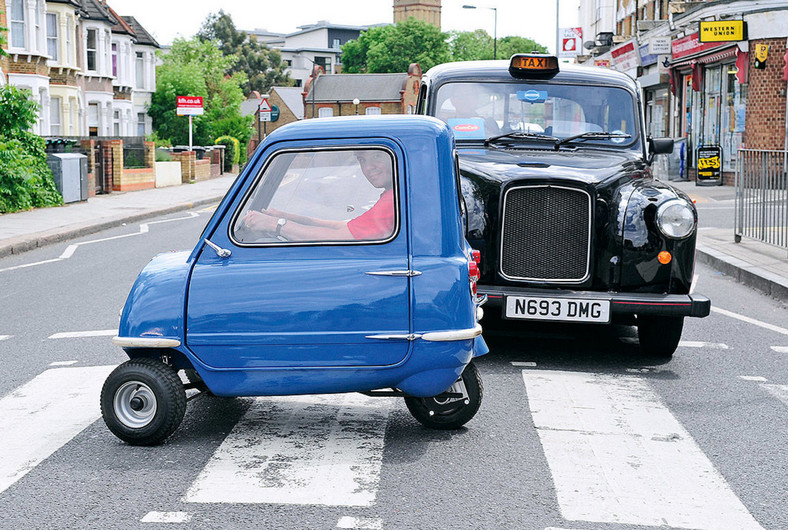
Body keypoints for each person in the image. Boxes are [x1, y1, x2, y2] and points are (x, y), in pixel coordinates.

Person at [241, 150, 395, 241]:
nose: (368, 167)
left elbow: (338, 237)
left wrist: (275, 225)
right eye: (362, 160)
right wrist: (284, 216)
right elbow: (345, 226)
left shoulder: (393, 201)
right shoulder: (394, 195)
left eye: (377, 156)